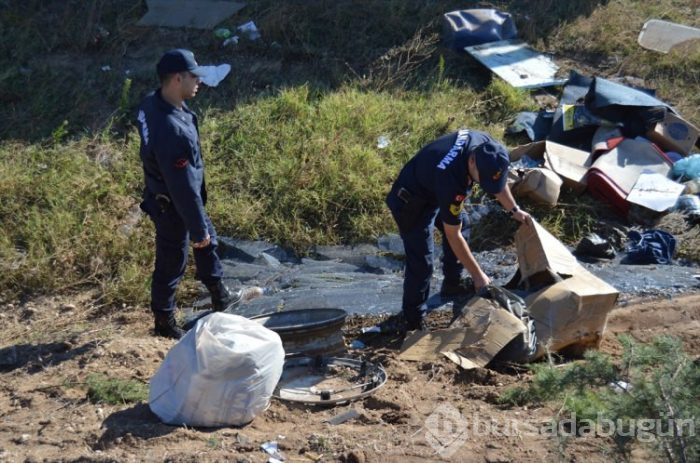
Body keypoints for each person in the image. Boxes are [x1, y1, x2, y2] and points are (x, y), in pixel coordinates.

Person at [135, 49, 241, 339]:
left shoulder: (149, 104)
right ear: (177, 78)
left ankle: (220, 294)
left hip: (162, 191)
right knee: (174, 259)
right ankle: (164, 321)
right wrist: (196, 228)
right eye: (194, 76)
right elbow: (182, 185)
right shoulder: (172, 130)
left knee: (209, 240)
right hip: (173, 202)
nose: (199, 81)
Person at [386, 129, 532, 332]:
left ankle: (452, 283)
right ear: (472, 162)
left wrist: (514, 210)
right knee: (422, 262)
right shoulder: (452, 179)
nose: (485, 185)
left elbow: (497, 184)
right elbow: (452, 234)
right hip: (411, 201)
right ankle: (412, 320)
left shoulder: (488, 148)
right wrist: (478, 275)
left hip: (432, 186)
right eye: (483, 180)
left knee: (463, 223)